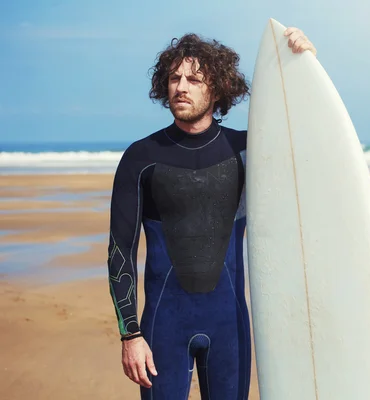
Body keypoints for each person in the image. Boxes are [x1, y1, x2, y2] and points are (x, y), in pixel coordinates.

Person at [106, 26, 316, 400]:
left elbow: (306, 142)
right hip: (161, 329)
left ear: (216, 88)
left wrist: (302, 64)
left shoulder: (247, 150)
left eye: (194, 79)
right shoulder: (141, 157)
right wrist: (130, 334)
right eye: (174, 78)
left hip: (230, 328)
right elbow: (120, 250)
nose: (180, 87)